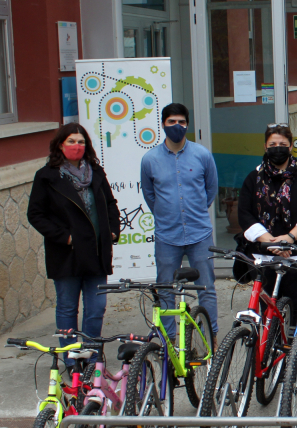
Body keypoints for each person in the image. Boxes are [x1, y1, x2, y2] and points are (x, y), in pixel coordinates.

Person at [27, 124, 120, 345]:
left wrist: (113, 231)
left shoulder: (95, 172)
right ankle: (71, 359)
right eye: (71, 141)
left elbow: (110, 204)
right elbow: (36, 214)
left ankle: (91, 355)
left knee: (96, 308)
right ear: (60, 144)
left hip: (97, 252)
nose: (76, 146)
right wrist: (65, 237)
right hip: (67, 254)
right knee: (68, 308)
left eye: (81, 142)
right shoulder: (46, 176)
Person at [140, 103, 220, 340]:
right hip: (167, 235)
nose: (177, 126)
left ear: (188, 124)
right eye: (172, 122)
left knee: (206, 288)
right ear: (163, 124)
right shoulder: (149, 160)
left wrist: (194, 211)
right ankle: (169, 339)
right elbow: (150, 195)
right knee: (165, 288)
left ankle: (209, 334)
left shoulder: (202, 155)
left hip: (199, 233)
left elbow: (210, 189)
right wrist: (168, 214)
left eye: (182, 122)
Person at [238, 123, 297, 328]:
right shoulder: (253, 177)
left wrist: (288, 240)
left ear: (291, 146)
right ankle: (268, 355)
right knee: (266, 315)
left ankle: (293, 355)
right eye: (272, 144)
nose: (277, 148)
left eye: (282, 144)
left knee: (296, 311)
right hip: (263, 255)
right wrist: (270, 242)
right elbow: (245, 214)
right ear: (265, 147)